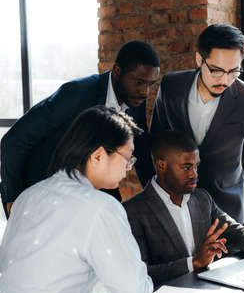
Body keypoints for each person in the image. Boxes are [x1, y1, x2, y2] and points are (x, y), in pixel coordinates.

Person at [0, 106, 153, 293]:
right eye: (127, 159)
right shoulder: (99, 207)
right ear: (97, 155)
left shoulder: (29, 195)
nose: (128, 170)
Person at [1, 40, 160, 216]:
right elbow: (14, 141)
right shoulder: (76, 94)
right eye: (139, 82)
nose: (145, 91)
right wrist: (12, 198)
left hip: (93, 193)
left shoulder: (135, 99)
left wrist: (158, 199)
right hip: (45, 191)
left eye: (150, 84)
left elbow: (142, 153)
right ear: (117, 71)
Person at [150, 24, 244, 223]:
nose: (225, 80)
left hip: (225, 212)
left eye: (233, 72)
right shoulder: (171, 87)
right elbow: (155, 143)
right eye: (216, 70)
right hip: (173, 207)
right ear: (199, 59)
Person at [123, 131, 244, 285]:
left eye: (196, 166)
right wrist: (194, 263)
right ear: (161, 165)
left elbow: (234, 230)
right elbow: (140, 274)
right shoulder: (132, 211)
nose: (194, 175)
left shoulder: (202, 198)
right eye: (186, 168)